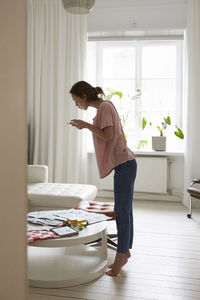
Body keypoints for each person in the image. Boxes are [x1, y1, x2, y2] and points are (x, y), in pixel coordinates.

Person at [69, 81, 137, 276]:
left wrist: (86, 125)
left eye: (76, 100)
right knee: (124, 210)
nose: (76, 105)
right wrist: (88, 126)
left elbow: (108, 136)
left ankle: (121, 255)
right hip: (125, 163)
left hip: (125, 164)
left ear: (83, 96)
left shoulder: (105, 107)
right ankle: (125, 252)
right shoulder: (103, 107)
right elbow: (107, 134)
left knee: (122, 212)